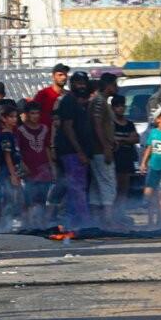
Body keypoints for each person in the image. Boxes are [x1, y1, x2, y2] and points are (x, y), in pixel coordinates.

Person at [51, 72, 93, 229]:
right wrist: (79, 152)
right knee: (76, 188)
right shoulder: (69, 101)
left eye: (83, 83)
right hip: (71, 152)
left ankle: (74, 222)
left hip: (77, 152)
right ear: (72, 84)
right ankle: (81, 222)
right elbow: (68, 128)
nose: (81, 86)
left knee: (77, 187)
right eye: (78, 83)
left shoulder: (79, 102)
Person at [87, 72, 120, 226]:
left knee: (96, 186)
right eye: (115, 84)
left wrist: (112, 141)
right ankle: (108, 220)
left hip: (97, 149)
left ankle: (95, 221)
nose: (117, 87)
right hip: (100, 151)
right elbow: (97, 124)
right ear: (108, 86)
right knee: (109, 185)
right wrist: (106, 146)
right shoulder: (99, 101)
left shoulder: (100, 101)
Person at [16, 101, 54, 226]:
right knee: (28, 200)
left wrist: (51, 166)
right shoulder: (21, 130)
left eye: (37, 113)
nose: (35, 116)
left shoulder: (44, 129)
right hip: (29, 171)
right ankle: (27, 224)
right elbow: (18, 150)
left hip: (44, 170)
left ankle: (40, 225)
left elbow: (47, 147)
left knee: (42, 200)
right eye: (32, 113)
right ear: (27, 114)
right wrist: (22, 165)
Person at [0, 105, 23, 226]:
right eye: (11, 117)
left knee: (13, 196)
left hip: (13, 169)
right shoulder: (5, 136)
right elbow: (7, 156)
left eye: (15, 116)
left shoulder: (12, 134)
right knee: (8, 196)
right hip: (7, 170)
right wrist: (13, 175)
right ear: (4, 119)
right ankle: (4, 223)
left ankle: (7, 222)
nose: (14, 119)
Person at [111, 95, 139, 218]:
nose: (120, 108)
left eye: (122, 106)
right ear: (113, 108)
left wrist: (121, 140)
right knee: (115, 188)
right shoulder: (111, 124)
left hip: (127, 158)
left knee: (124, 188)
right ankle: (114, 214)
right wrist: (126, 139)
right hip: (115, 158)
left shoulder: (129, 124)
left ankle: (121, 213)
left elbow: (136, 138)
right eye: (117, 106)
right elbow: (111, 138)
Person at [33, 63, 69, 129]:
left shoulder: (70, 95)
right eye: (60, 75)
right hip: (45, 132)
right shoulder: (43, 94)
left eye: (65, 74)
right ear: (53, 77)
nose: (64, 77)